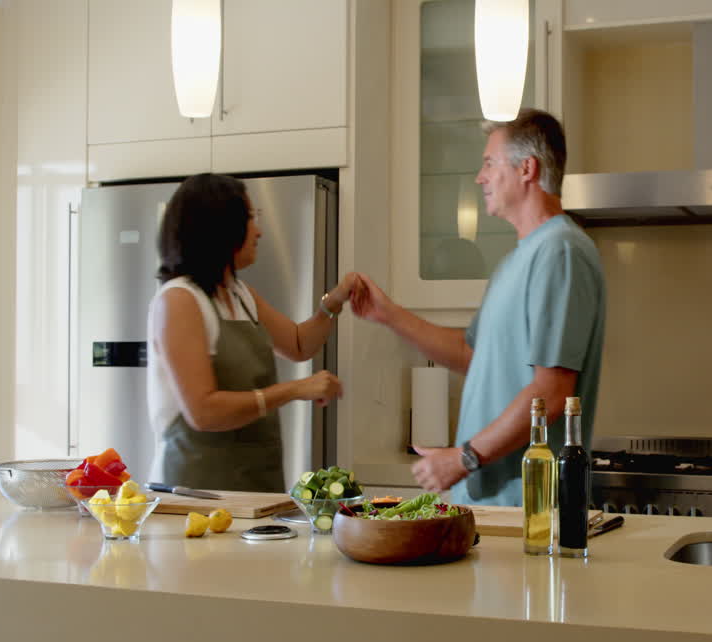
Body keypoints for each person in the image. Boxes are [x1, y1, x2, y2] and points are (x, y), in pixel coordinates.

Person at [351, 109, 606, 505]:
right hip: (488, 505)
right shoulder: (515, 261)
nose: (479, 177)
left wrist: (465, 457)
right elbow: (472, 355)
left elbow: (551, 393)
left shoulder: (561, 252)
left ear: (527, 169)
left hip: (527, 508)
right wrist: (389, 315)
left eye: (489, 163)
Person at [147, 173, 352, 492]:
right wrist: (294, 389)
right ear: (221, 226)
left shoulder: (239, 293)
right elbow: (203, 412)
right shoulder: (180, 300)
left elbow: (299, 344)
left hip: (254, 486)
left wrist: (336, 300)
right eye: (249, 218)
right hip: (195, 494)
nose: (258, 231)